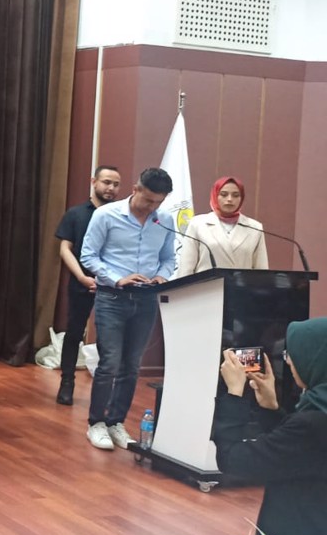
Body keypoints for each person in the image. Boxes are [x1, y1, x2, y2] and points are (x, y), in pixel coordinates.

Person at [79, 166, 175, 451]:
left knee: (132, 365)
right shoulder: (106, 215)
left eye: (158, 202)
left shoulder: (165, 220)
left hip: (146, 299)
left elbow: (168, 258)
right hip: (112, 297)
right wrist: (117, 278)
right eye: (148, 200)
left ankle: (116, 421)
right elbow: (88, 255)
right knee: (110, 363)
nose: (152, 207)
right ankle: (96, 423)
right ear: (135, 189)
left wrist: (162, 276)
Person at [212, 322, 327, 535]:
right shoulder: (316, 414)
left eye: (292, 354)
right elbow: (297, 457)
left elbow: (232, 459)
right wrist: (270, 408)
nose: (288, 361)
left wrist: (234, 393)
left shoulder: (310, 425)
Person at [53, 165, 121, 406]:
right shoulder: (76, 213)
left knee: (108, 338)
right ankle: (67, 383)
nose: (111, 188)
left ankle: (106, 388)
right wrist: (82, 277)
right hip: (82, 281)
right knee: (74, 333)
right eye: (106, 182)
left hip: (112, 285)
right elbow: (65, 249)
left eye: (116, 184)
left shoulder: (120, 215)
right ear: (94, 182)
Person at [177, 175, 269, 276]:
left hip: (241, 285)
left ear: (242, 198)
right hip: (207, 285)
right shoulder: (198, 224)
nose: (229, 199)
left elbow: (261, 271)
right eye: (224, 194)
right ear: (215, 196)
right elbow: (186, 268)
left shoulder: (255, 228)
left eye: (235, 195)